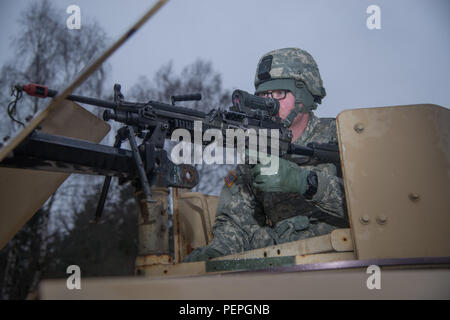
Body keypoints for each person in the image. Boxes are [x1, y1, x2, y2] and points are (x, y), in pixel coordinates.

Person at [183, 47, 348, 262]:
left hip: (344, 262)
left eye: (279, 93)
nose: (269, 103)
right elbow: (236, 223)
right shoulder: (257, 151)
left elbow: (376, 205)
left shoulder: (343, 135)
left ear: (303, 96)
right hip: (282, 269)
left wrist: (305, 183)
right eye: (263, 95)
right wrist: (218, 252)